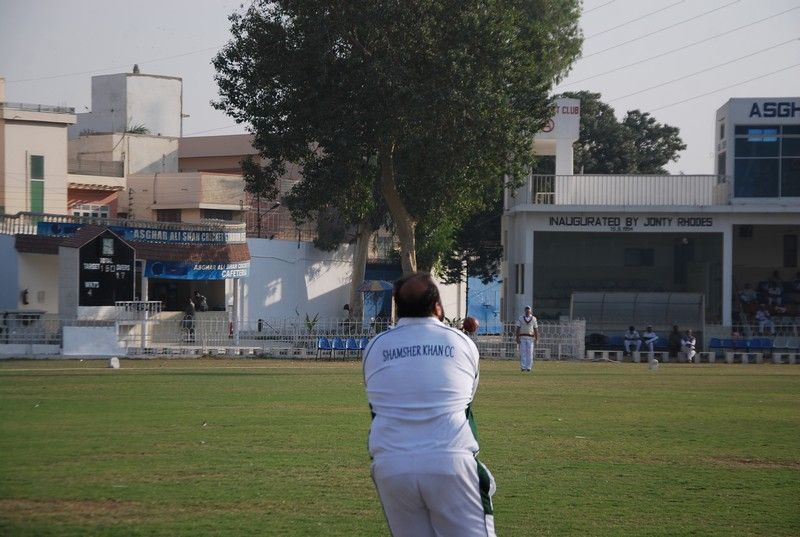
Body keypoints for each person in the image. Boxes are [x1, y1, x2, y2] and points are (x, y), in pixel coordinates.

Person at [363, 272, 496, 537]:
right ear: (437, 307)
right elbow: (466, 400)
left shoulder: (374, 347)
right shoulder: (461, 342)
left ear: (398, 310)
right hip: (450, 460)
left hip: (391, 465)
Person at [515, 305, 539, 372]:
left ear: (530, 311)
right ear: (524, 311)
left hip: (530, 338)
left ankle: (529, 367)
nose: (527, 311)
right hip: (522, 337)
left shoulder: (534, 318)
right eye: (526, 310)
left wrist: (537, 339)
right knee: (523, 352)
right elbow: (518, 328)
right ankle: (523, 367)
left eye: (528, 310)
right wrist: (517, 337)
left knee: (530, 353)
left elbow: (536, 329)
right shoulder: (521, 318)